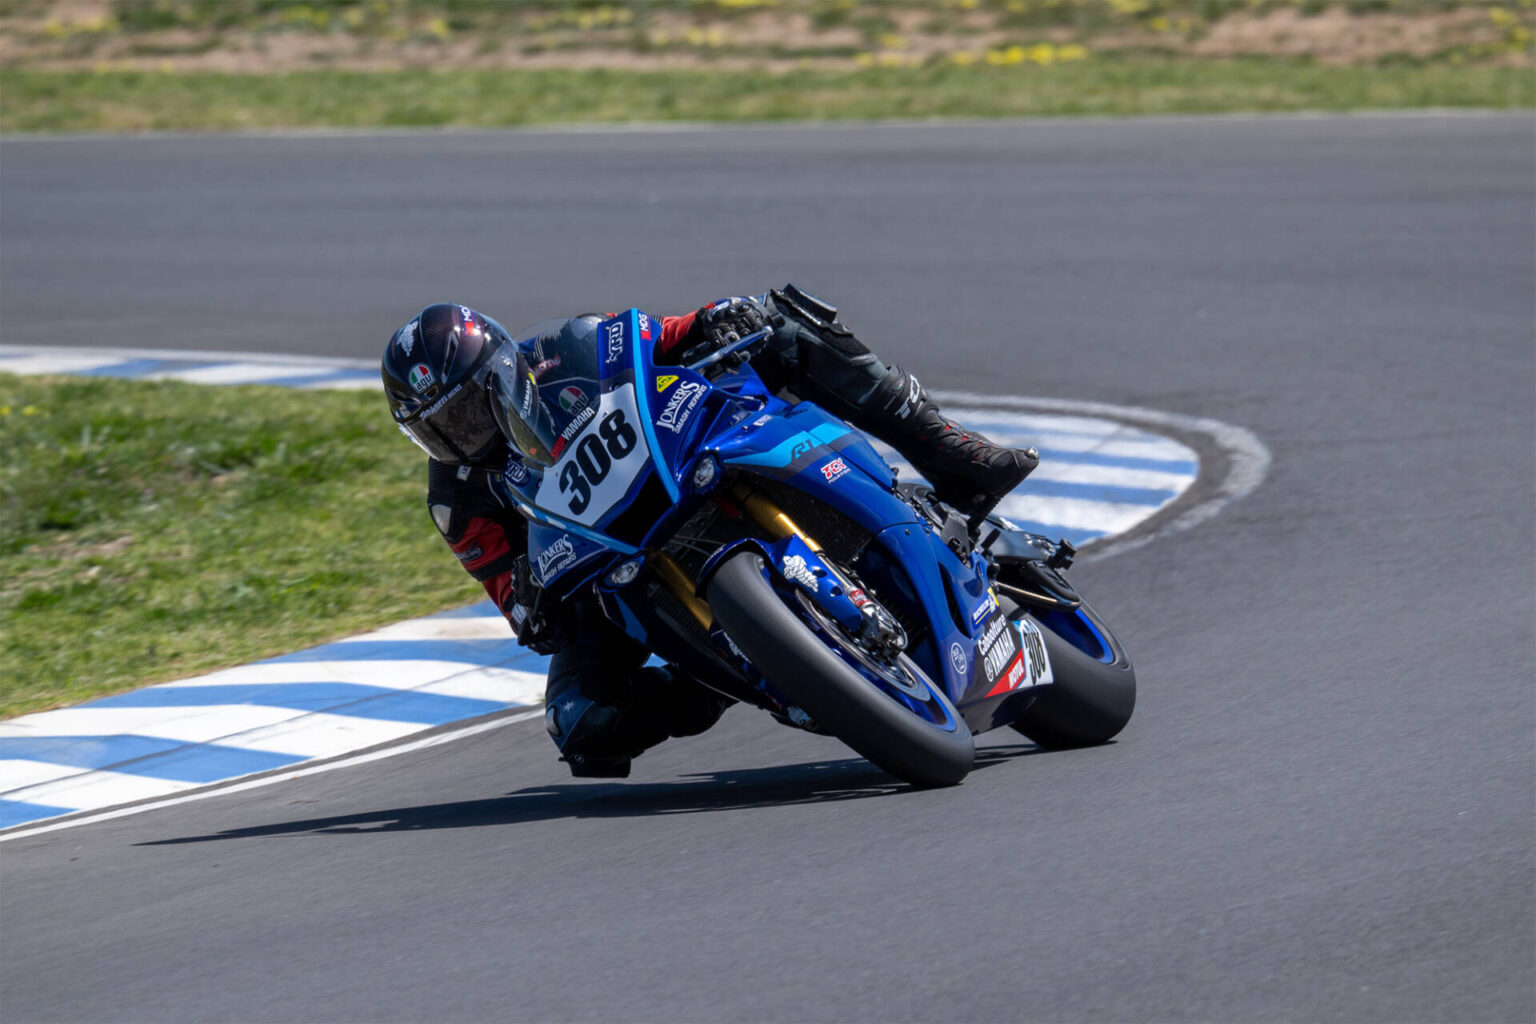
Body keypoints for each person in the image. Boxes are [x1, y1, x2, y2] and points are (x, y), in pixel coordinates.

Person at [381, 287, 1037, 778]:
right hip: (606, 566)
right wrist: (529, 604)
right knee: (582, 725)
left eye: (467, 411)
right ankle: (723, 676)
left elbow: (656, 338)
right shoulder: (457, 501)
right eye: (439, 430)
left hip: (687, 460)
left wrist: (713, 319)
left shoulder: (560, 350)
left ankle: (951, 450)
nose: (463, 435)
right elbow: (508, 594)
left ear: (501, 371)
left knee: (782, 324)